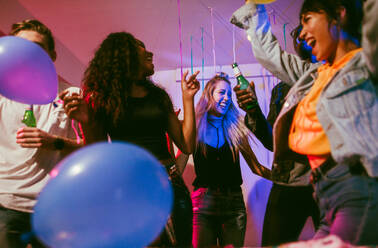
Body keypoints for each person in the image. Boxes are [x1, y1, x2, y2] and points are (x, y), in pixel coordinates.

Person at [231, 0, 378, 245]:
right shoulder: (312, 75)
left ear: (338, 15)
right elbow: (271, 55)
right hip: (326, 194)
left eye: (308, 19)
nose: (302, 33)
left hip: (357, 189)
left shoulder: (365, 65)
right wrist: (255, 6)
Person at [60, 32, 200, 247]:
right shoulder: (103, 99)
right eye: (139, 47)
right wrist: (87, 121)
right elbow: (97, 154)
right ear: (124, 56)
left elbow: (187, 144)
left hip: (171, 184)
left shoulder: (158, 96)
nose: (150, 52)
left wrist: (188, 98)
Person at [233, 26, 320, 246]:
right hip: (289, 178)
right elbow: (272, 142)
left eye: (306, 27)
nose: (301, 36)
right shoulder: (281, 90)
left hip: (329, 179)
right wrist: (253, 111)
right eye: (296, 33)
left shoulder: (336, 78)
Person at [0, 19, 82, 247]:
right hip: (6, 205)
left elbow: (93, 148)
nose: (28, 54)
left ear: (52, 55)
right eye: (21, 47)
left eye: (37, 48)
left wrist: (56, 142)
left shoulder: (72, 96)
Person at [191, 74, 271, 248]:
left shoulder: (236, 128)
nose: (227, 98)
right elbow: (180, 160)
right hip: (203, 204)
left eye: (229, 94)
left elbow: (256, 168)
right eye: (221, 93)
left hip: (233, 205)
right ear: (209, 95)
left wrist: (285, 178)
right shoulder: (196, 127)